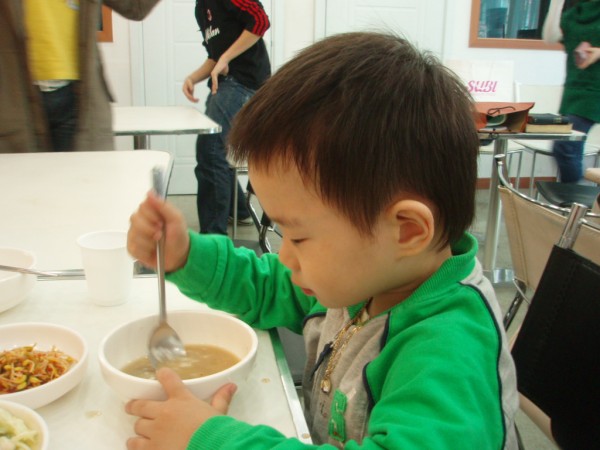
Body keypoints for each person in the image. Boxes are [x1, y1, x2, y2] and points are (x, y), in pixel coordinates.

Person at [126, 32, 519, 449]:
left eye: (297, 237)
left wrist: (213, 441)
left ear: (406, 230)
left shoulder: (449, 353)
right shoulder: (365, 275)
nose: (285, 257)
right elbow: (268, 286)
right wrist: (186, 255)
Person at [0, 0, 162, 153]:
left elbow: (136, 7)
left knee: (82, 172)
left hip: (79, 100)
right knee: (22, 172)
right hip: (14, 101)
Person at [182, 0, 271, 234]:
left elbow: (260, 22)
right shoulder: (201, 9)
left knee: (211, 150)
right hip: (225, 84)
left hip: (246, 82)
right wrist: (192, 78)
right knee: (216, 150)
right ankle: (238, 210)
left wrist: (226, 58)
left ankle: (214, 238)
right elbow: (215, 57)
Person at [543, 0, 600, 182]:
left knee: (565, 147)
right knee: (565, 148)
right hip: (574, 92)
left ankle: (573, 197)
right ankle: (574, 196)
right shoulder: (575, 14)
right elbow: (550, 36)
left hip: (594, 92)